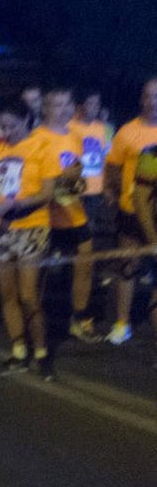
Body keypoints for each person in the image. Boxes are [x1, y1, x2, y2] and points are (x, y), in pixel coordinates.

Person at [0, 99, 57, 378]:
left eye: (12, 126)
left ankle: (41, 351)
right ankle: (18, 350)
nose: (6, 131)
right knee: (7, 294)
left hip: (31, 227)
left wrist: (15, 204)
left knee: (29, 295)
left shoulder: (42, 148)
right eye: (2, 125)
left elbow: (47, 193)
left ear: (27, 120)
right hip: (0, 229)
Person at [33, 87, 99, 343]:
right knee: (38, 273)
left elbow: (77, 174)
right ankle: (34, 325)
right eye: (55, 105)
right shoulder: (36, 138)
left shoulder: (74, 136)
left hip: (74, 213)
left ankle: (80, 317)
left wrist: (78, 183)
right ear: (45, 108)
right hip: (44, 217)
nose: (61, 110)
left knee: (85, 264)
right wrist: (62, 179)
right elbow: (34, 179)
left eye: (65, 104)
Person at [103, 77, 157, 348]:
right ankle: (122, 323)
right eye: (148, 96)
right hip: (132, 210)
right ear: (141, 99)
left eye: (156, 96)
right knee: (127, 267)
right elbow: (112, 166)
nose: (152, 101)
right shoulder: (127, 132)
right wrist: (111, 193)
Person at [69, 89, 113, 245]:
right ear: (80, 106)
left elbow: (107, 158)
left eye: (97, 103)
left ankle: (85, 262)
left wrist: (107, 186)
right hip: (74, 188)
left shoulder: (105, 129)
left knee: (88, 229)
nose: (94, 107)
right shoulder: (69, 127)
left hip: (95, 188)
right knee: (71, 228)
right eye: (90, 103)